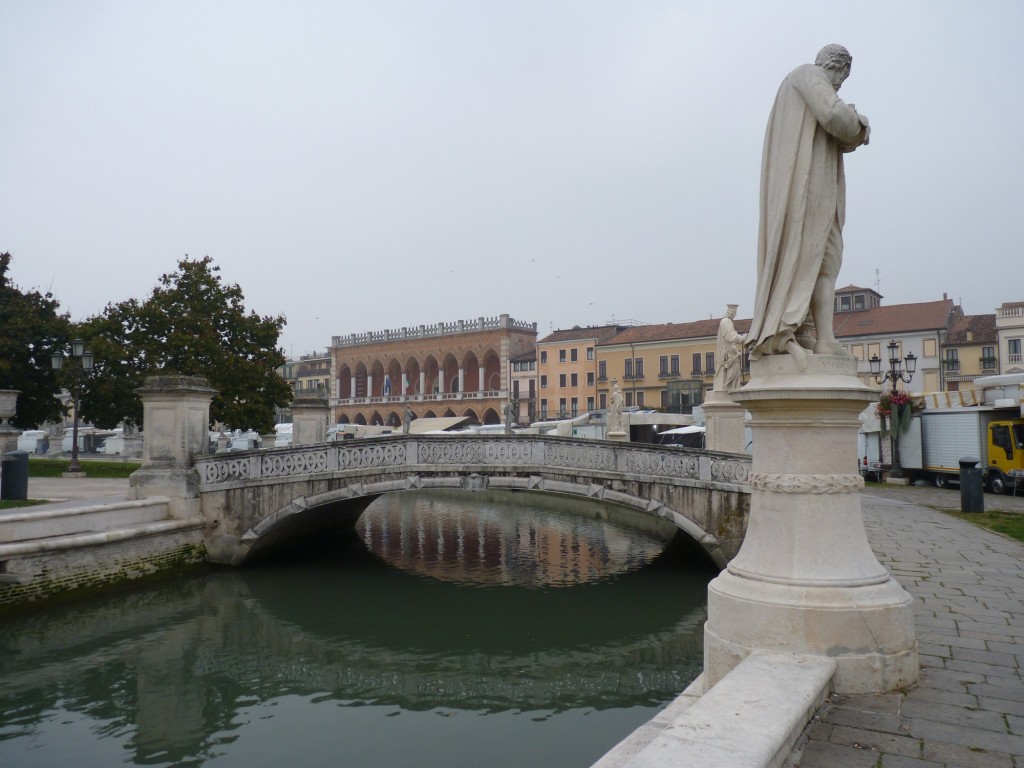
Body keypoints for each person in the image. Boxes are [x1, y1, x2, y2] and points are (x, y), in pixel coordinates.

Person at [747, 44, 870, 368]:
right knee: (812, 254)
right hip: (806, 190)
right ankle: (806, 332)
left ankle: (814, 333)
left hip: (816, 187)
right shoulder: (808, 75)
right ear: (838, 68)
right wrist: (861, 122)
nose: (840, 86)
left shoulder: (801, 84)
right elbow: (835, 117)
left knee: (824, 258)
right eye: (841, 80)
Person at [714, 304, 746, 392]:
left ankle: (731, 387)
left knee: (734, 369)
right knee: (732, 368)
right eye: (735, 313)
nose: (735, 315)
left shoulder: (726, 321)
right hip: (727, 350)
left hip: (729, 349)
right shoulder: (726, 321)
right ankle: (728, 387)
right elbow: (729, 336)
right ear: (731, 312)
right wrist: (742, 338)